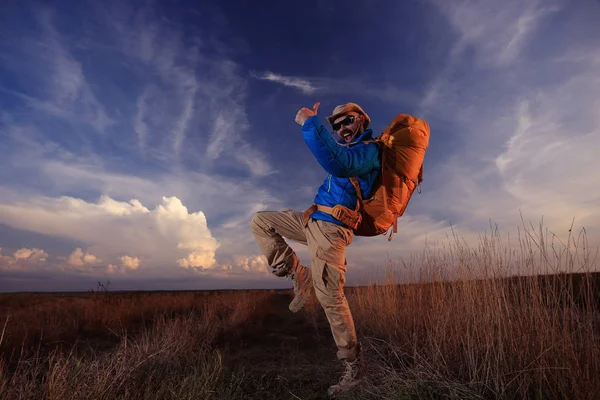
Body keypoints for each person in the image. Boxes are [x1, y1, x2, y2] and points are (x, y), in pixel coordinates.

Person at [251, 102, 381, 396]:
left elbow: (338, 164)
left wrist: (311, 123)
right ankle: (299, 274)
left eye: (346, 122)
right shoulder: (348, 151)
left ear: (360, 119)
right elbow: (337, 161)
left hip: (332, 230)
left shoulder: (369, 151)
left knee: (330, 296)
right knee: (262, 221)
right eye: (335, 125)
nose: (341, 129)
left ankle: (354, 369)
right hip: (312, 221)